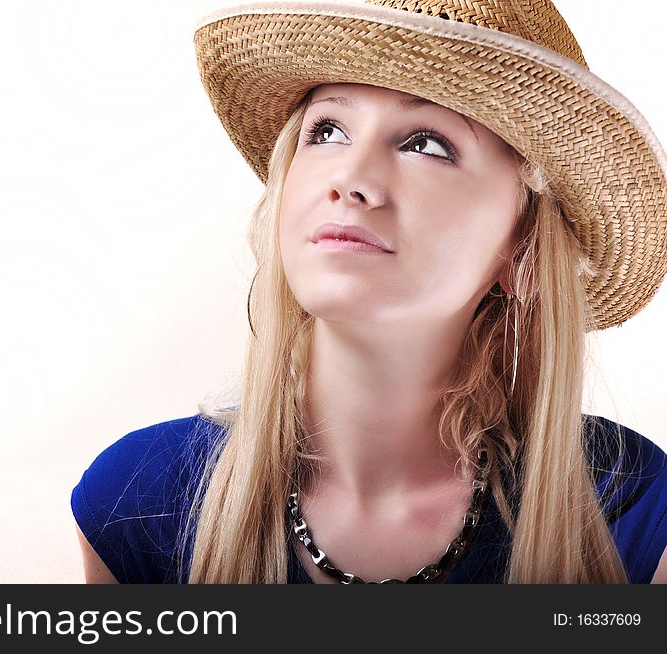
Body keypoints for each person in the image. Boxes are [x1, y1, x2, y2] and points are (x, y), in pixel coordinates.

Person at [71, 0, 667, 583]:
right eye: (327, 129)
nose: (349, 180)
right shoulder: (140, 505)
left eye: (427, 143)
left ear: (522, 246)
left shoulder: (628, 507)